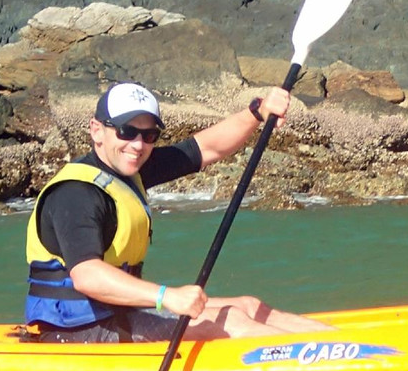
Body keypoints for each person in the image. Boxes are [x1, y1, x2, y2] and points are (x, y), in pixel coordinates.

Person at [24, 82, 328, 342]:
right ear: (97, 130)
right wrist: (166, 297)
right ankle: (329, 361)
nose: (138, 144)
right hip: (77, 330)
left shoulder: (129, 169)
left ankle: (343, 342)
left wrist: (256, 112)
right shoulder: (76, 194)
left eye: (149, 135)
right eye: (127, 131)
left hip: (115, 313)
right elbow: (87, 276)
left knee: (248, 306)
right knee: (232, 322)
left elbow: (206, 148)